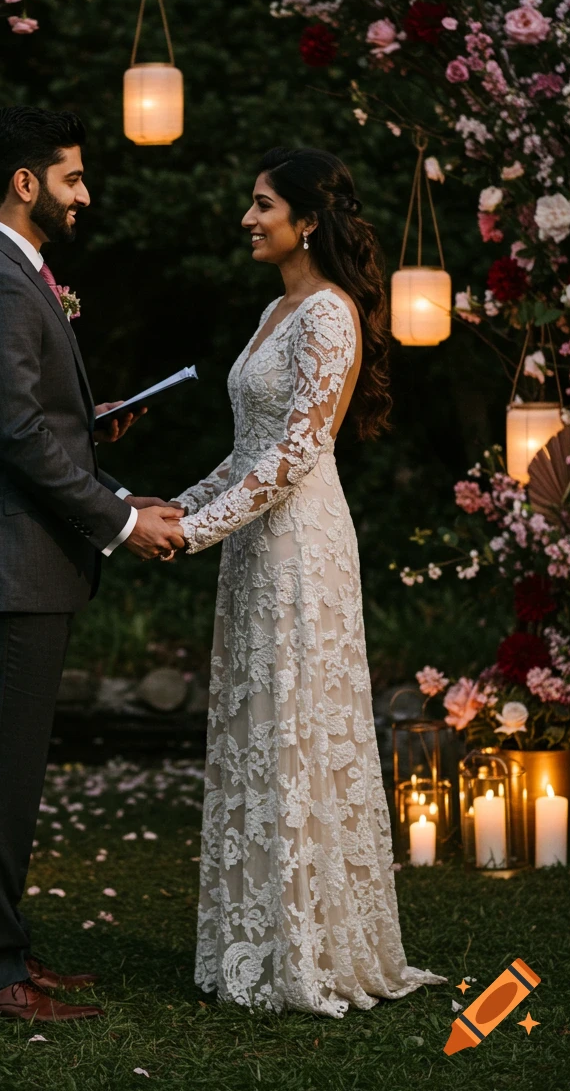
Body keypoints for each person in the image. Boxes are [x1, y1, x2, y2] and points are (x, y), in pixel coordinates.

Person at [169, 146, 447, 1016]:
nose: (248, 219)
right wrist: (175, 508)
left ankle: (314, 946)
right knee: (260, 722)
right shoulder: (275, 307)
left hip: (298, 543)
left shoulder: (328, 315)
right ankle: (254, 941)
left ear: (308, 219)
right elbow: (251, 447)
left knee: (297, 721)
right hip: (255, 539)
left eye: (262, 205)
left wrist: (193, 534)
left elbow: (295, 454)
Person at [0, 106, 184, 1023]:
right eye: (74, 178)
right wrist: (119, 519)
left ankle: (8, 951)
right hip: (8, 568)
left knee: (16, 772)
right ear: (27, 184)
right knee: (3, 777)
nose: (87, 193)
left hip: (24, 561)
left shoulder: (12, 270)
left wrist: (99, 443)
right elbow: (18, 441)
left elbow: (42, 425)